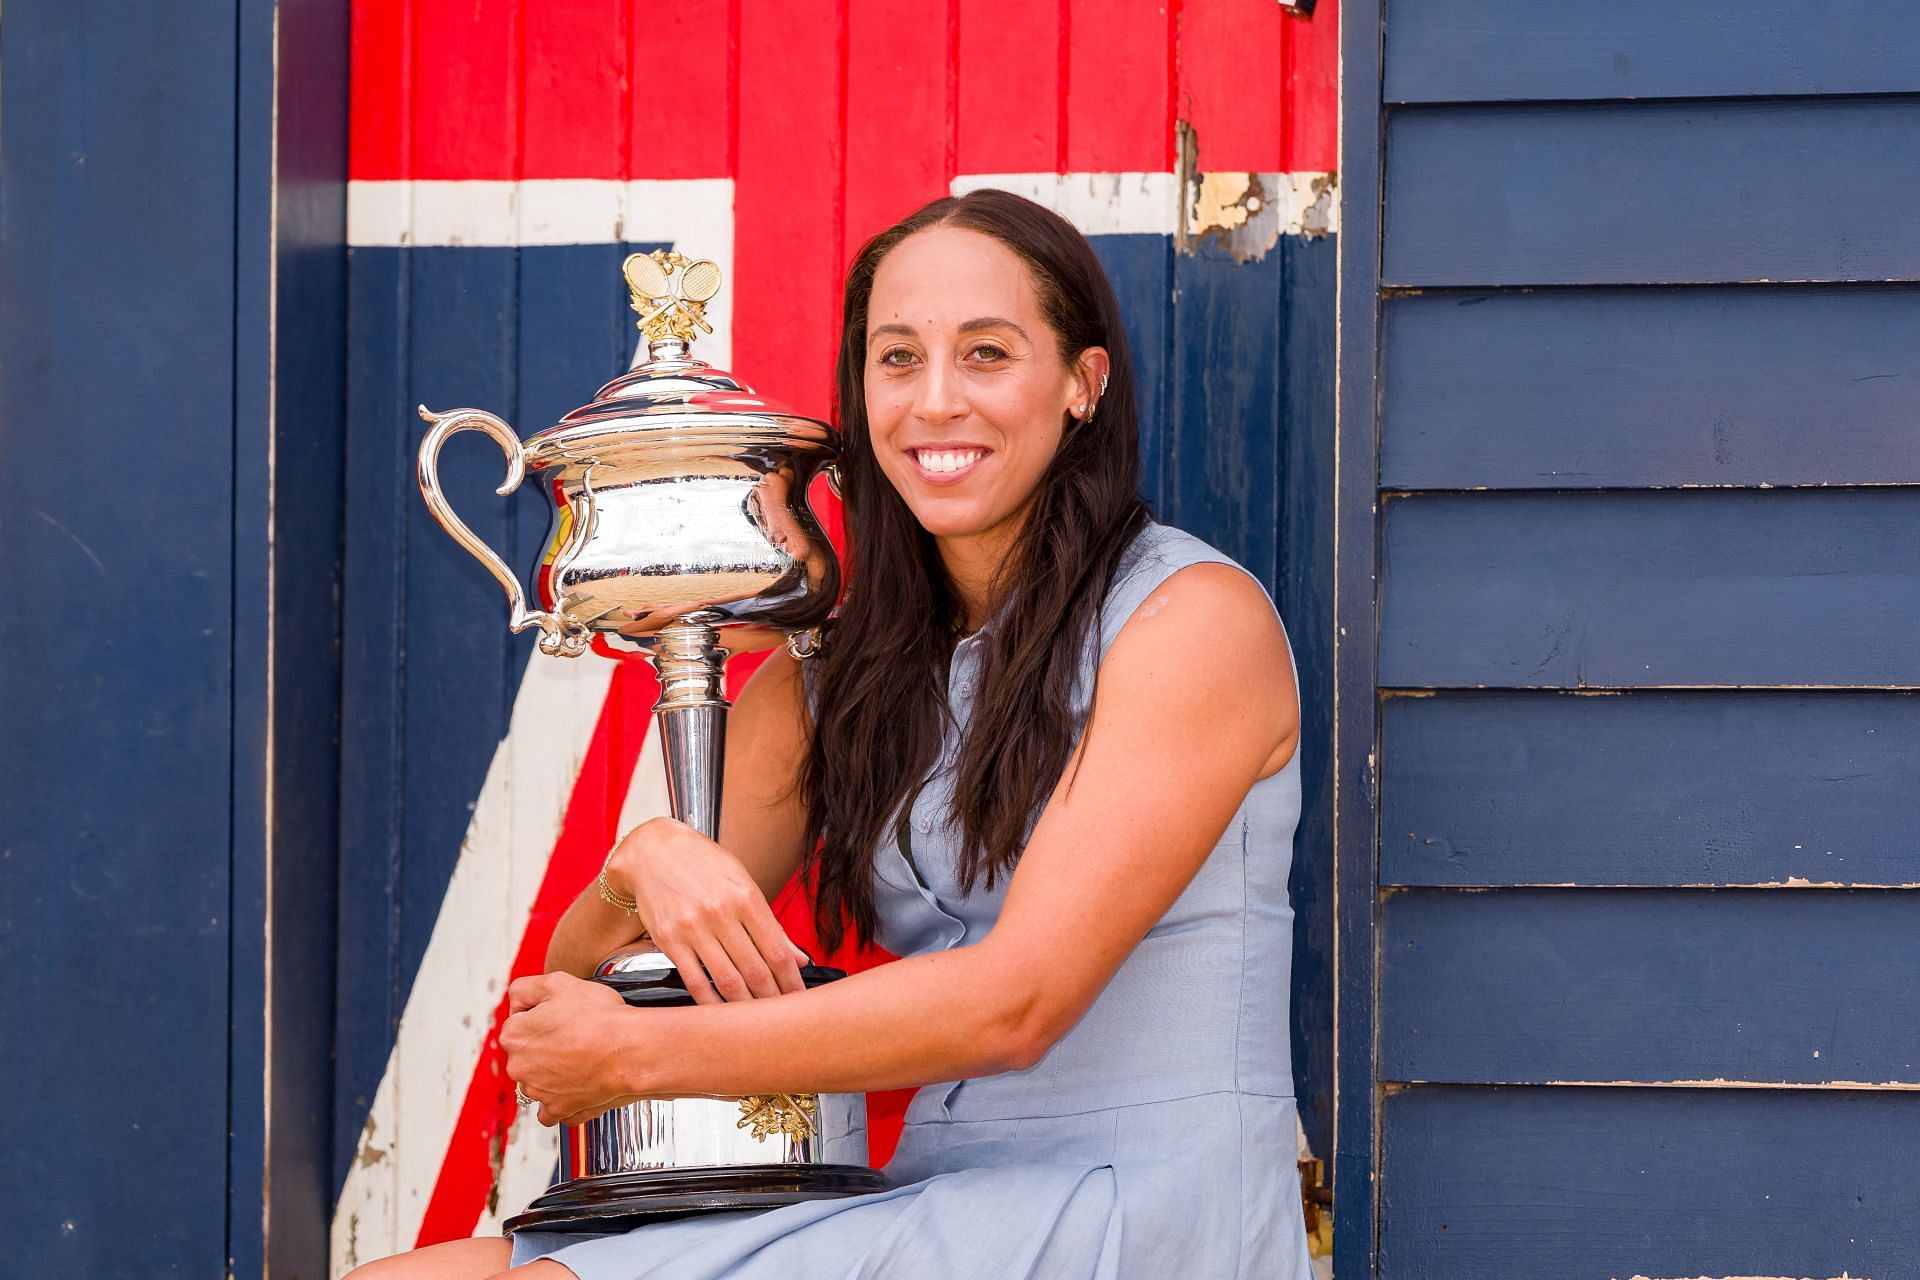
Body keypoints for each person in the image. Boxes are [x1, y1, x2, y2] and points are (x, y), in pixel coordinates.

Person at [348, 188, 1310, 1280]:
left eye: (987, 353)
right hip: (937, 1197)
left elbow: (1021, 1001)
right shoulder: (842, 674)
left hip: (1141, 1215)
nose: (935, 402)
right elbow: (580, 988)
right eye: (897, 359)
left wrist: (647, 1056)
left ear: (1082, 384)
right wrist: (640, 868)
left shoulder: (1191, 622)